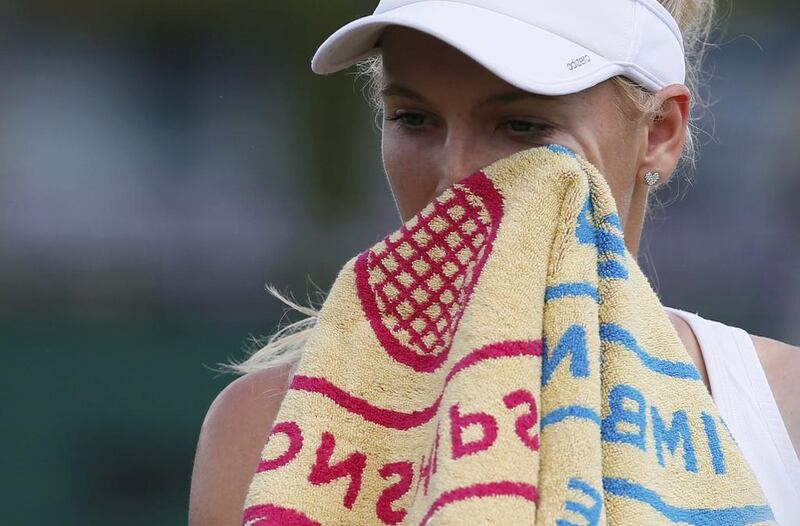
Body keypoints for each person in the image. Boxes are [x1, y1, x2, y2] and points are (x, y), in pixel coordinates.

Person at [188, 1, 800, 524]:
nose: (455, 176)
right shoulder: (262, 426)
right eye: (413, 118)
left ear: (660, 132)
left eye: (522, 125)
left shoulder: (783, 407)